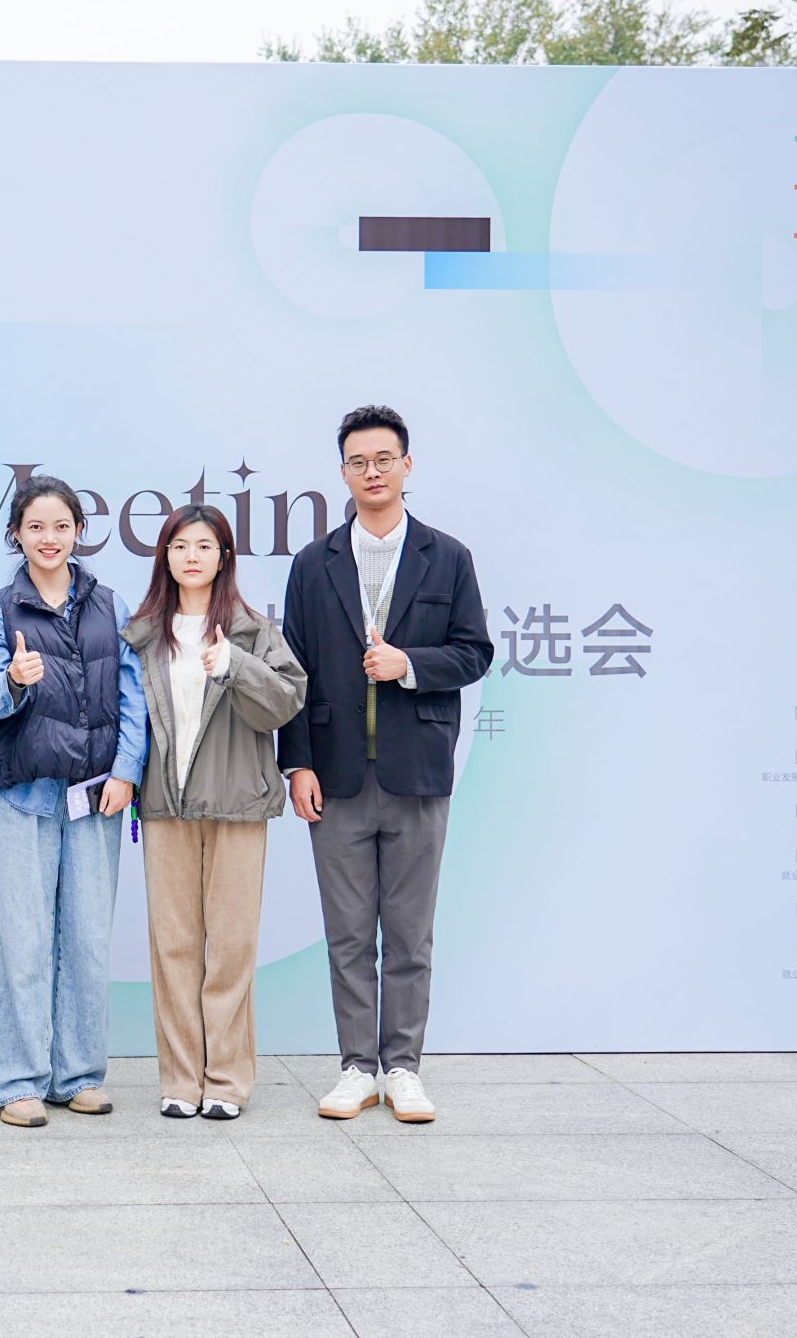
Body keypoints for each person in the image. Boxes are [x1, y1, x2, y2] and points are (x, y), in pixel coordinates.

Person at [279, 405, 493, 1124]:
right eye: (357, 461)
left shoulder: (447, 556)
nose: (371, 471)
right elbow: (294, 671)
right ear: (342, 472)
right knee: (347, 935)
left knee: (408, 933)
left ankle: (403, 1068)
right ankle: (356, 1068)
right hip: (336, 776)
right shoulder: (313, 564)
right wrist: (297, 765)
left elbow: (474, 651)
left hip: (418, 774)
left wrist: (409, 665)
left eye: (383, 459)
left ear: (407, 465)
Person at [0, 475, 146, 1128]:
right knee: (20, 942)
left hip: (96, 798)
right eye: (36, 527)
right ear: (16, 533)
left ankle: (78, 1075)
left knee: (88, 941)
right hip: (24, 795)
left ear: (78, 532)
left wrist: (126, 771)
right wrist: (14, 680)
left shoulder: (110, 605)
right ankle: (15, 1080)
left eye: (61, 526)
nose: (49, 538)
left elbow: (133, 695)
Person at [123, 504, 305, 1121]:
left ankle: (226, 1081)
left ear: (224, 556)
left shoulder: (253, 631)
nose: (191, 556)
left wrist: (235, 666)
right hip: (164, 808)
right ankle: (181, 1079)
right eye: (179, 546)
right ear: (164, 557)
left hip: (237, 807)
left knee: (230, 948)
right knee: (173, 946)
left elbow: (285, 703)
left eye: (204, 545)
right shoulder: (142, 634)